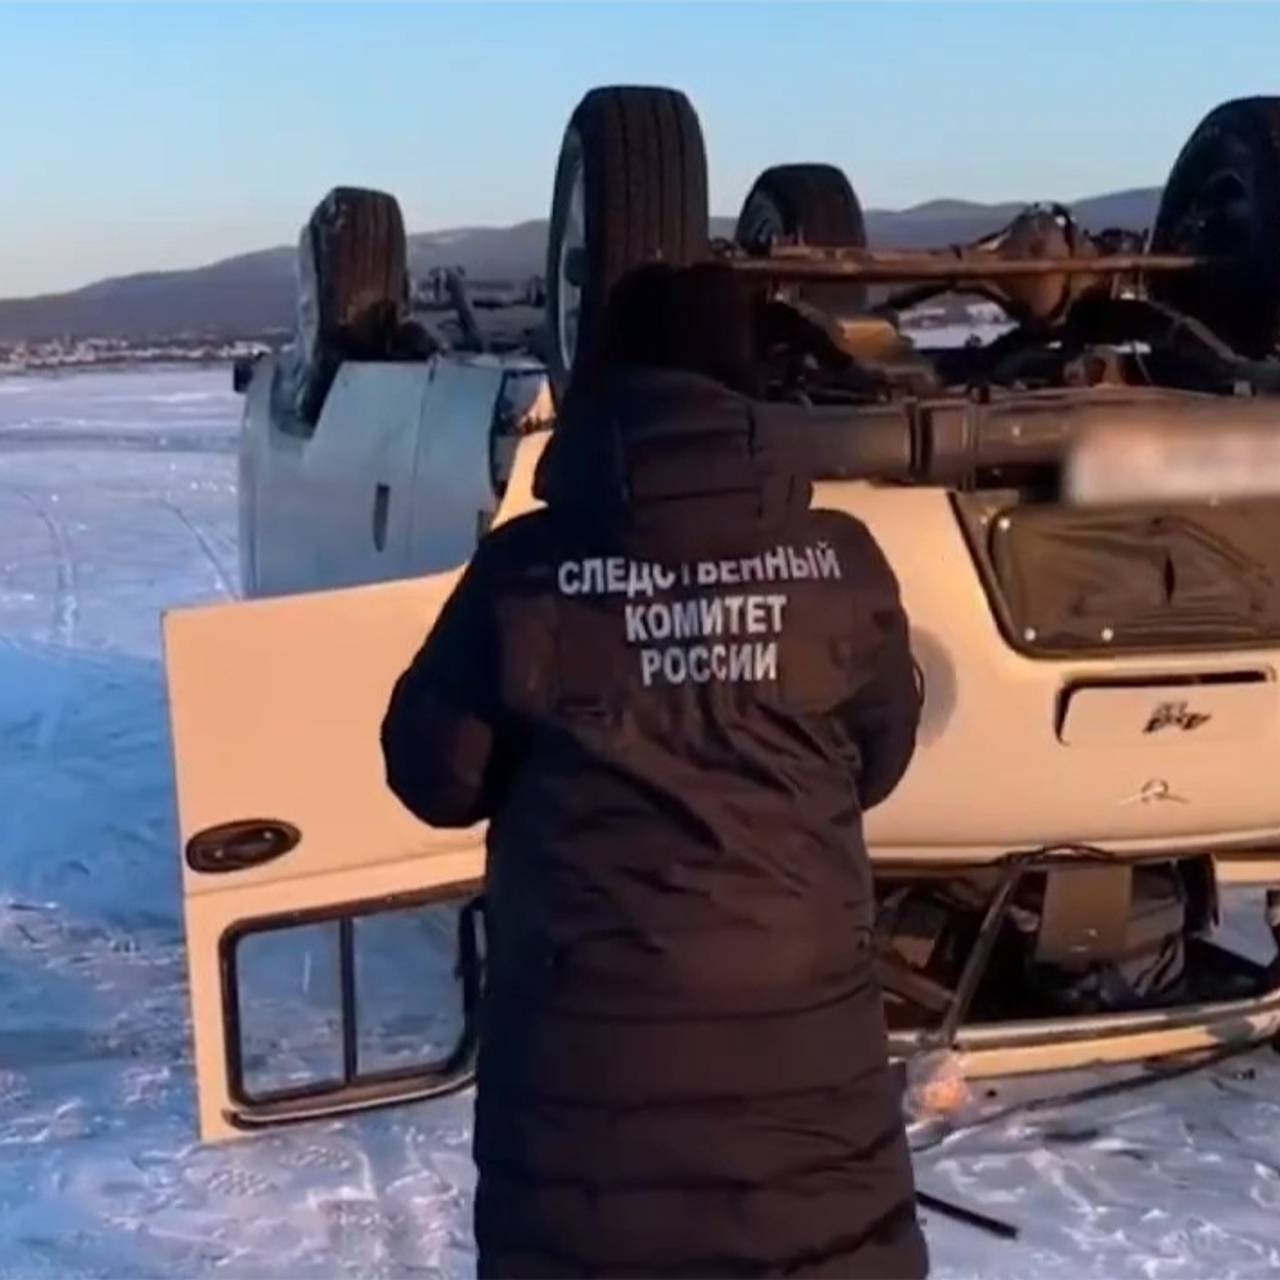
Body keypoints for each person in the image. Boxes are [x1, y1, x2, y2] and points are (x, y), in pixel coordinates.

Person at [380, 262, 928, 1279]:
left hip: (583, 1086)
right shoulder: (841, 565)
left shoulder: (526, 572)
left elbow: (432, 775)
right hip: (804, 1068)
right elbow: (880, 756)